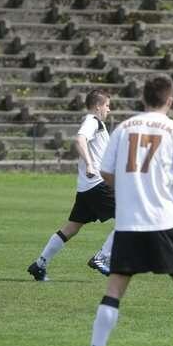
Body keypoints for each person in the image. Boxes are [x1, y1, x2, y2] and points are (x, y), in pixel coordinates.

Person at [73, 74, 173, 346]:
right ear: (170, 100)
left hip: (129, 223)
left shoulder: (123, 128)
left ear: (143, 98)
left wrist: (127, 192)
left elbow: (106, 173)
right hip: (166, 221)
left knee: (114, 288)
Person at [27, 89, 114, 281]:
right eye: (107, 105)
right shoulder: (93, 121)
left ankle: (39, 264)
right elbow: (79, 139)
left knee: (71, 228)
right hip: (97, 185)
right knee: (130, 217)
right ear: (98, 106)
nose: (109, 109)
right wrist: (90, 164)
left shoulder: (97, 124)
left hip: (86, 188)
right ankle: (102, 257)